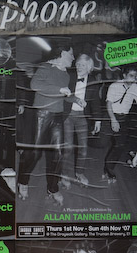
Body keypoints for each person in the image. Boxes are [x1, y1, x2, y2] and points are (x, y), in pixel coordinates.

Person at [17, 46, 74, 206]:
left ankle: (53, 188)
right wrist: (59, 89)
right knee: (35, 153)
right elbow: (35, 85)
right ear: (61, 53)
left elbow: (64, 95)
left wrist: (75, 99)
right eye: (71, 54)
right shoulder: (45, 67)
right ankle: (23, 181)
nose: (73, 58)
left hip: (57, 116)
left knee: (58, 153)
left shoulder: (65, 75)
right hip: (41, 115)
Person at [98, 67, 137, 182]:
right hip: (110, 116)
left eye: (136, 76)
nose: (134, 79)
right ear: (124, 75)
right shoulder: (114, 86)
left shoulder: (135, 88)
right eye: (131, 76)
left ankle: (109, 169)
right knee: (101, 143)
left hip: (123, 118)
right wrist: (113, 120)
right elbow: (109, 104)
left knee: (120, 145)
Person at [61, 54, 101, 188]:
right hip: (68, 115)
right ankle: (64, 174)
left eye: (82, 65)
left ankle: (79, 172)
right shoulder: (69, 76)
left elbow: (95, 102)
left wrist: (98, 121)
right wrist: (76, 99)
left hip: (82, 117)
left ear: (89, 67)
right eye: (78, 64)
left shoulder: (93, 80)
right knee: (68, 148)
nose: (79, 67)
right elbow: (63, 95)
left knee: (83, 148)